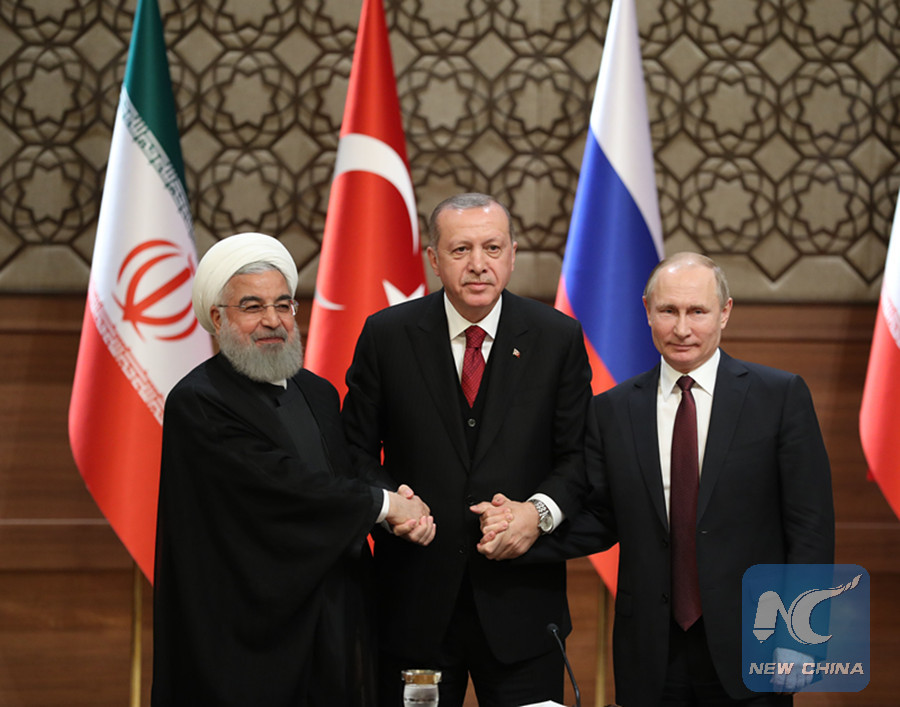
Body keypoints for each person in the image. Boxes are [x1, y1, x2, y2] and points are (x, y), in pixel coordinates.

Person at [484, 252, 835, 706]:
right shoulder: (612, 410)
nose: (682, 328)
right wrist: (521, 530)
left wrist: (802, 637)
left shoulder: (779, 397)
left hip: (756, 643)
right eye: (668, 311)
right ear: (647, 311)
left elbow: (810, 527)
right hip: (650, 651)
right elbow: (601, 517)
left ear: (724, 313)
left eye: (697, 311)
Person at [151, 232, 435, 707]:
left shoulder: (317, 391)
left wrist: (398, 508)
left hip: (330, 620)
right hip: (245, 631)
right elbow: (280, 486)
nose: (273, 320)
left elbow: (347, 471)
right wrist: (386, 505)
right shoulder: (199, 401)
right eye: (252, 307)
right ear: (218, 318)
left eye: (283, 305)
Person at [341, 193, 593, 706]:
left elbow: (580, 456)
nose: (478, 264)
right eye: (460, 250)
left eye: (492, 248)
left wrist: (537, 513)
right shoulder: (386, 335)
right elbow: (353, 452)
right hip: (413, 609)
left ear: (513, 255)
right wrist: (392, 506)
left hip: (524, 610)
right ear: (433, 259)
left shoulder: (557, 338)